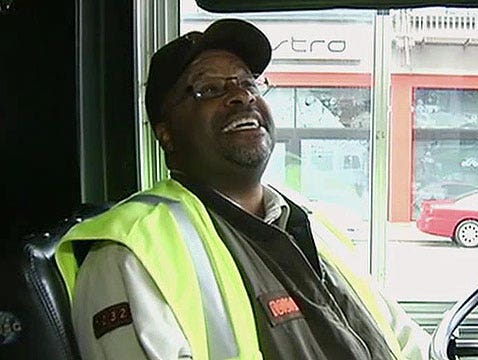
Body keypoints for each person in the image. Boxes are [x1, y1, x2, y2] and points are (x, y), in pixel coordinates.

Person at [55, 18, 431, 360]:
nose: (241, 95)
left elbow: (402, 338)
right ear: (165, 134)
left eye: (248, 82)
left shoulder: (315, 226)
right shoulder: (131, 251)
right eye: (208, 88)